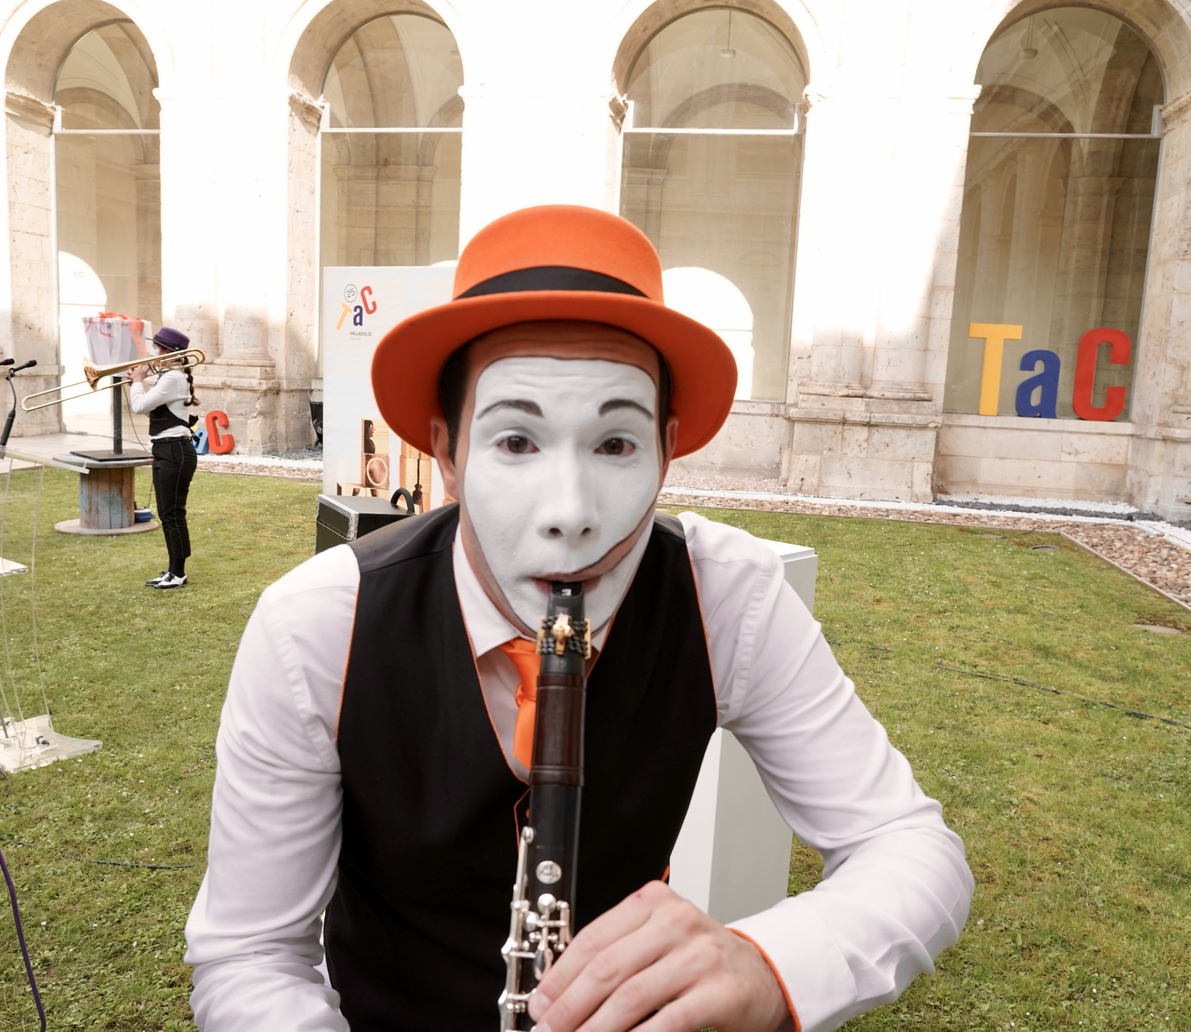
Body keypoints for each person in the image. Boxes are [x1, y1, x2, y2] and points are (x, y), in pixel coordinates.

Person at [184, 205, 973, 1031]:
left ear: (668, 449)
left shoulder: (728, 595)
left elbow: (912, 848)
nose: (571, 517)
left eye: (617, 445)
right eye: (516, 443)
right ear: (446, 455)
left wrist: (772, 964)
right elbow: (251, 954)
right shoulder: (315, 625)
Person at [127, 326, 200, 590]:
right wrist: (135, 383)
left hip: (174, 450)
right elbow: (152, 412)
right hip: (165, 449)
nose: (154, 354)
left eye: (158, 349)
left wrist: (137, 382)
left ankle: (178, 573)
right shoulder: (168, 378)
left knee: (173, 513)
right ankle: (173, 570)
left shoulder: (173, 378)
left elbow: (138, 406)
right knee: (167, 513)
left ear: (169, 352)